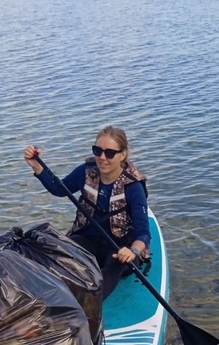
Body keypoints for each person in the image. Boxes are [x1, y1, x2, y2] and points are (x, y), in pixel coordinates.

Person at [24, 126, 151, 299]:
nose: (102, 158)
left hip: (120, 248)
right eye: (97, 151)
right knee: (64, 250)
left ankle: (90, 303)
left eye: (109, 153)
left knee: (115, 263)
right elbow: (59, 189)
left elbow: (143, 234)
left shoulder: (133, 186)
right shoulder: (85, 171)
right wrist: (38, 167)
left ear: (123, 155)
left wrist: (133, 252)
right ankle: (39, 297)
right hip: (89, 239)